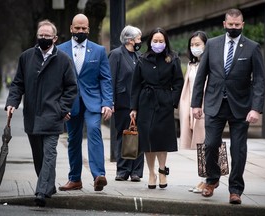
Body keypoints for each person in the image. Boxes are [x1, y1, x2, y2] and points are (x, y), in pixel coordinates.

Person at [191, 8, 265, 205]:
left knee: (238, 150)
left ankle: (235, 190)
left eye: (237, 25)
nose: (233, 28)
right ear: (224, 24)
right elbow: (201, 76)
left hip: (241, 107)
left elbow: (259, 80)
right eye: (230, 25)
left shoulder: (252, 47)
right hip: (215, 103)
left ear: (243, 25)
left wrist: (256, 108)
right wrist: (196, 104)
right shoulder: (213, 45)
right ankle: (212, 179)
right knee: (210, 144)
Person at [5, 19, 77, 207]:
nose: (43, 38)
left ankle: (41, 191)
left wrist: (62, 109)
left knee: (49, 153)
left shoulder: (63, 60)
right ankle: (48, 186)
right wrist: (12, 103)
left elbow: (71, 88)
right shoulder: (26, 57)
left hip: (53, 116)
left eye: (47, 36)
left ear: (54, 38)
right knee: (39, 156)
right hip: (32, 116)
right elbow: (18, 83)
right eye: (40, 35)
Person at [57, 14, 113, 192]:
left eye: (84, 28)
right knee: (73, 139)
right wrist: (61, 106)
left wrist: (107, 103)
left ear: (88, 29)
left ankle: (98, 175)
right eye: (77, 28)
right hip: (70, 102)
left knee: (94, 130)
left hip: (93, 102)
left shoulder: (98, 51)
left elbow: (105, 78)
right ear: (71, 28)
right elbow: (56, 81)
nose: (80, 31)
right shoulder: (60, 50)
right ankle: (75, 179)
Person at [130, 27, 184, 189]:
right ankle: (151, 173)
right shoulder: (142, 59)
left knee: (162, 138)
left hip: (164, 102)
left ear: (165, 42)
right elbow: (135, 85)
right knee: (147, 139)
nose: (158, 44)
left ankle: (162, 170)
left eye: (161, 41)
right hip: (145, 102)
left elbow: (178, 82)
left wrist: (171, 100)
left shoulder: (173, 59)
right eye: (155, 41)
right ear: (150, 42)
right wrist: (134, 107)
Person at [108, 25, 144, 182]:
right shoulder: (116, 55)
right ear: (129, 40)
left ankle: (136, 171)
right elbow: (111, 78)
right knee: (123, 135)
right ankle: (122, 170)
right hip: (122, 103)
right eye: (138, 39)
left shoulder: (139, 56)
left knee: (138, 136)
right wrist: (111, 101)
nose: (140, 41)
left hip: (139, 103)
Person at [179, 31, 208, 193]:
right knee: (200, 146)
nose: (194, 47)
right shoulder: (191, 65)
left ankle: (209, 179)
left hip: (206, 108)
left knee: (206, 144)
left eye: (198, 44)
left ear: (205, 45)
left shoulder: (210, 64)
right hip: (193, 108)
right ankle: (203, 178)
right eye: (192, 45)